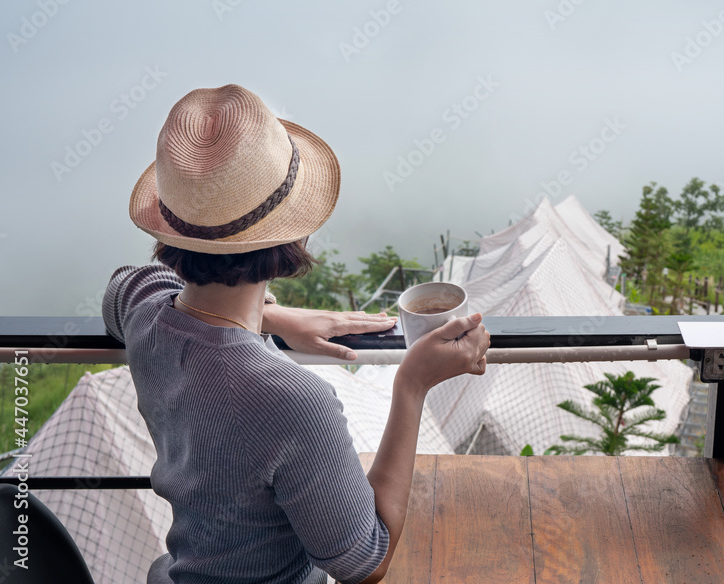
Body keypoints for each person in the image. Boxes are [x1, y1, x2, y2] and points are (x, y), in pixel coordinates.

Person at [102, 84, 490, 584]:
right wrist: (412, 385)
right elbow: (365, 563)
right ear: (295, 231)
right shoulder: (292, 400)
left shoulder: (145, 320)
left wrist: (265, 315)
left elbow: (122, 286)